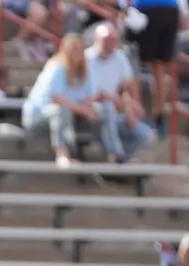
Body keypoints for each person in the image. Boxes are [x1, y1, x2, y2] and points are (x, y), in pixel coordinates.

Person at [22, 35, 96, 168]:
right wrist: (82, 109)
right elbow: (56, 98)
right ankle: (62, 156)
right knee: (61, 109)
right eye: (73, 49)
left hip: (71, 117)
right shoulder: (56, 66)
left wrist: (88, 108)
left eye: (80, 50)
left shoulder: (84, 71)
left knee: (103, 111)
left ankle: (114, 157)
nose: (77, 53)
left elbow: (89, 97)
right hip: (37, 117)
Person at [86, 23, 155, 163]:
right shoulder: (85, 59)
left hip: (115, 110)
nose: (110, 44)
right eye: (106, 39)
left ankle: (121, 161)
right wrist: (116, 99)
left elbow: (128, 85)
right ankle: (115, 156)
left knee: (146, 136)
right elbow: (92, 94)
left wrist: (131, 107)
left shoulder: (119, 57)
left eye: (113, 40)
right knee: (107, 108)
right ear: (96, 39)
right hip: (91, 113)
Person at [130, 0, 180, 134]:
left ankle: (139, 114)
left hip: (147, 9)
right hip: (170, 10)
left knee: (138, 64)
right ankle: (159, 116)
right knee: (160, 66)